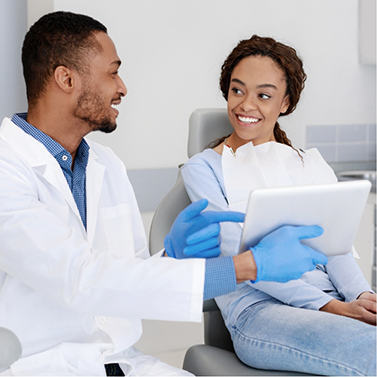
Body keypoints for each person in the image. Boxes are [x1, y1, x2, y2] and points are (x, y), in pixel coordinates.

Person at [0, 13, 329, 377]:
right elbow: (80, 276)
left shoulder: (105, 165)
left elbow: (129, 278)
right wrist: (246, 266)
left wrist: (170, 257)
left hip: (124, 361)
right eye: (112, 72)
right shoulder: (7, 168)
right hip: (40, 367)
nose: (122, 87)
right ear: (66, 78)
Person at [182, 35, 377, 376]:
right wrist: (330, 306)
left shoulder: (307, 165)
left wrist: (361, 295)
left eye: (264, 95)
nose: (245, 105)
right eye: (237, 90)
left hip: (331, 299)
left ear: (285, 103)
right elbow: (236, 254)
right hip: (260, 311)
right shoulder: (204, 168)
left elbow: (337, 247)